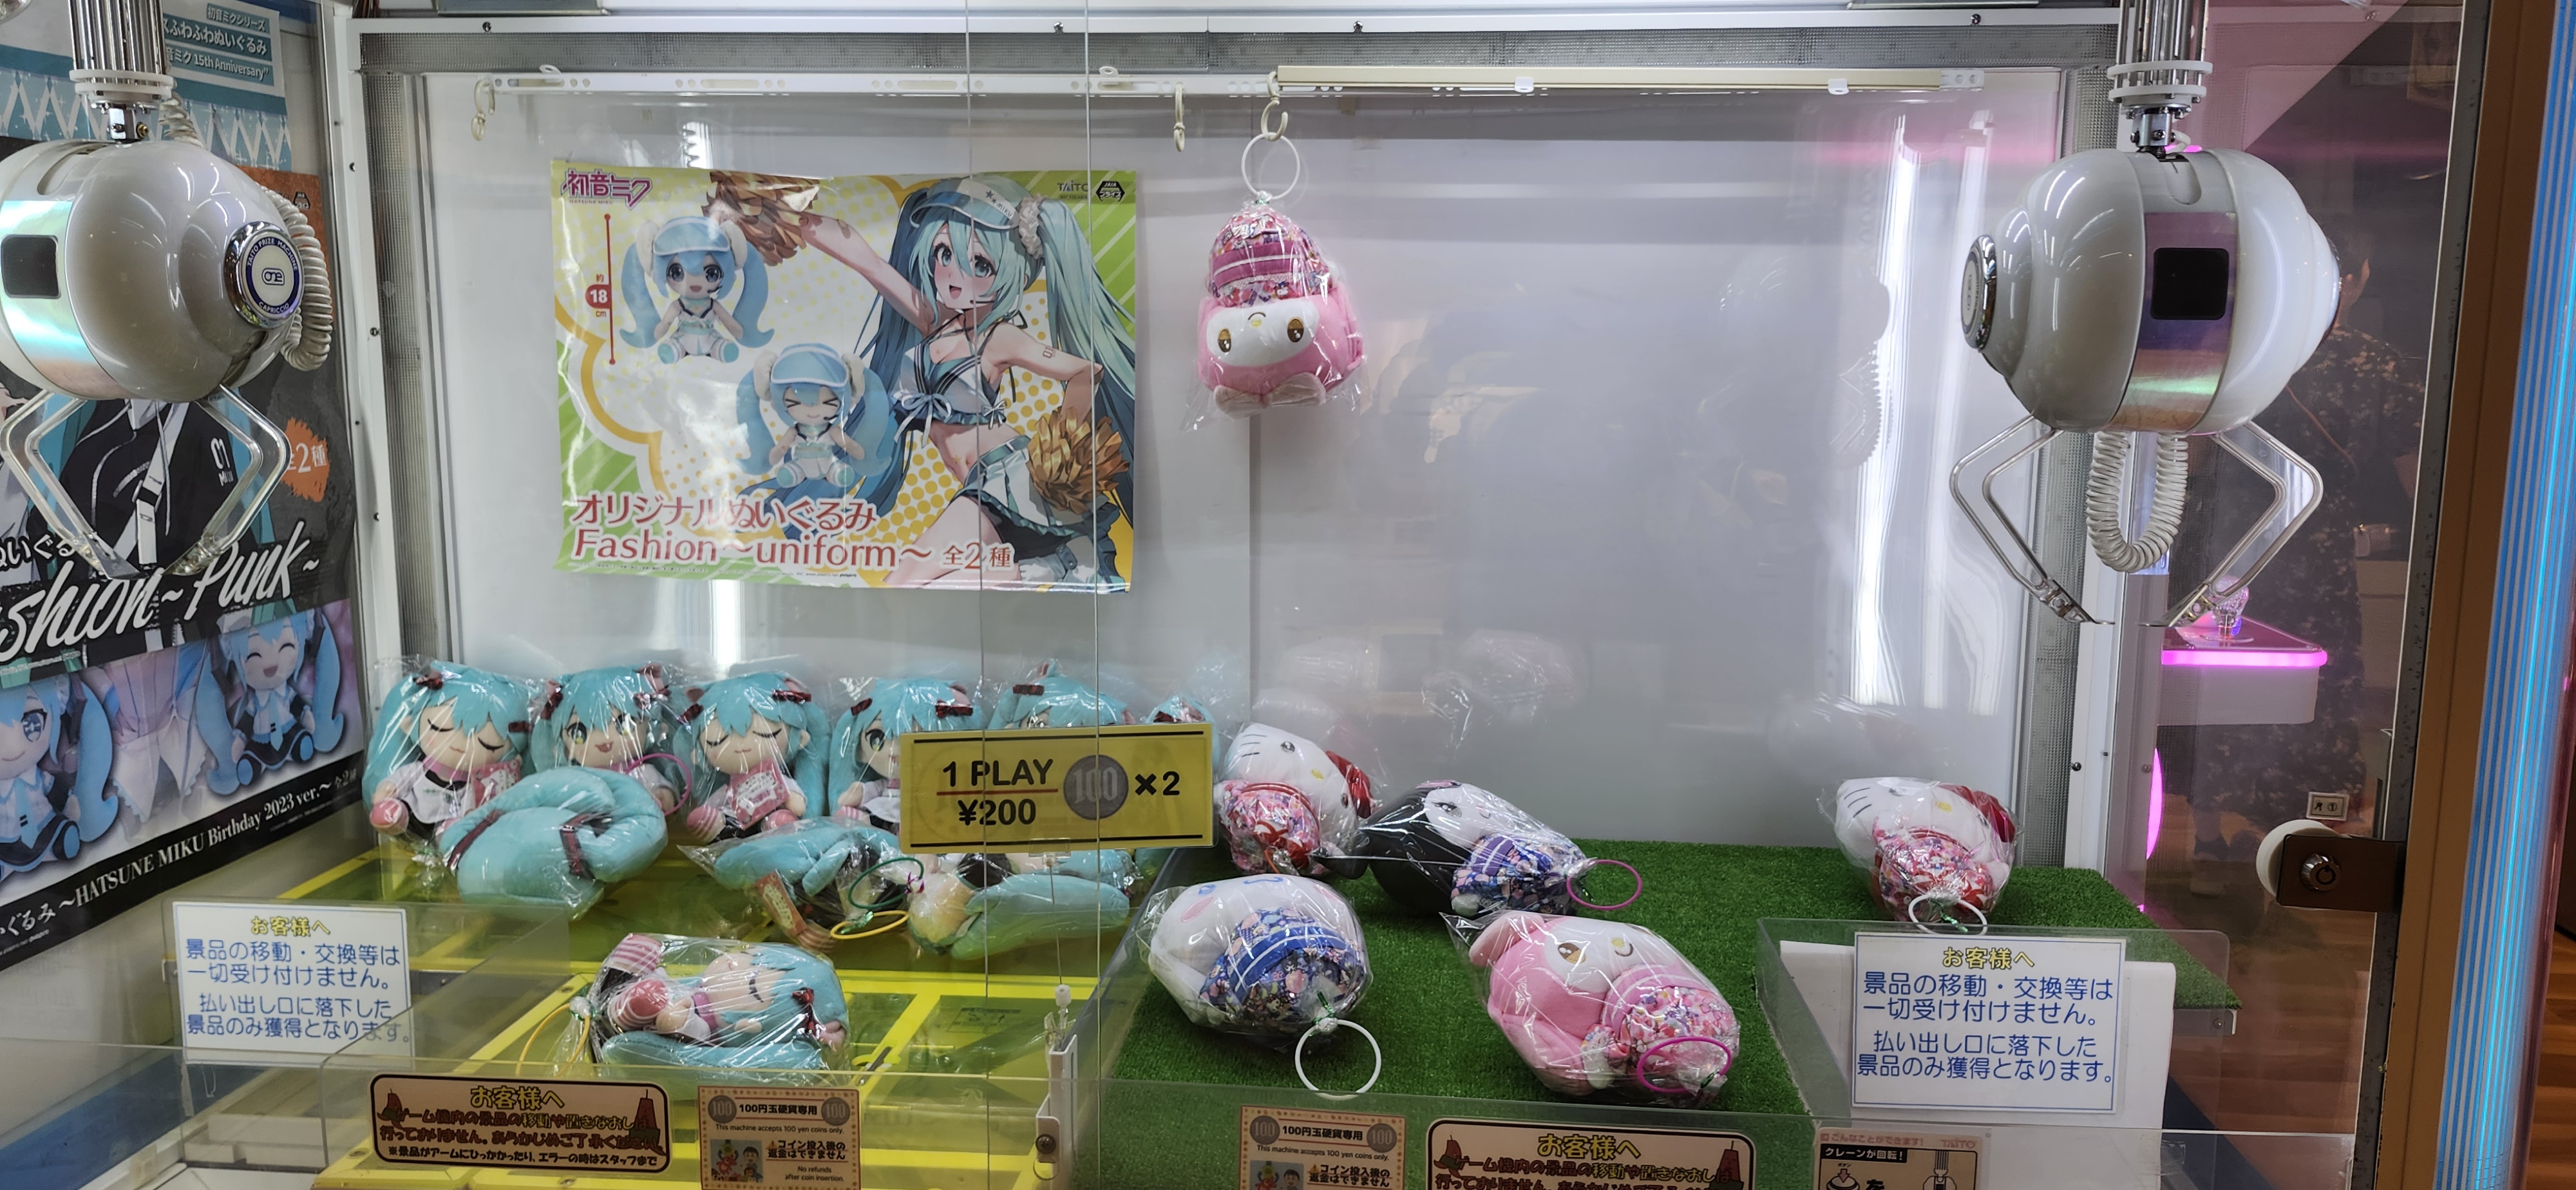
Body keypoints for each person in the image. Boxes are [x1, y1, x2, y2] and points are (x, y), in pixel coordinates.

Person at [2163, 220, 2423, 882]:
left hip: (2230, 543)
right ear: (2356, 281)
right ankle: (2297, 841)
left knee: (2224, 681)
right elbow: (2416, 478)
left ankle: (2210, 837)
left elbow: (2191, 456)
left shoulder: (2244, 348)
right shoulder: (2379, 364)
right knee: (2315, 688)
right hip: (2315, 546)